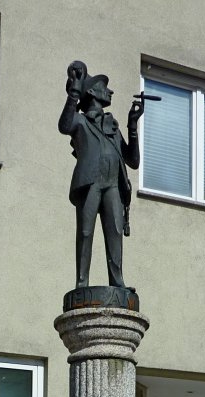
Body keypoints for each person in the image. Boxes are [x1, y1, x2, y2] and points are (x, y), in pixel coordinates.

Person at [58, 61, 143, 289]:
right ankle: (81, 283)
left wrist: (132, 126)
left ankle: (118, 282)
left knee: (114, 231)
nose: (110, 91)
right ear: (93, 92)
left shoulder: (111, 126)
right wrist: (74, 91)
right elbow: (64, 125)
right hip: (90, 182)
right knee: (85, 232)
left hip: (113, 184)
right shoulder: (81, 121)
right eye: (105, 87)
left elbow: (133, 161)